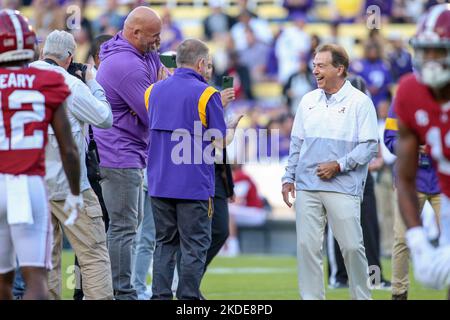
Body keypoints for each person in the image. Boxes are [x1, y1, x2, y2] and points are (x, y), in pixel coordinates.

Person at [146, 39, 241, 300]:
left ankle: (161, 296)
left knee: (164, 244)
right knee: (194, 246)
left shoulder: (152, 90)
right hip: (193, 185)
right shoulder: (207, 93)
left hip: (159, 182)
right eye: (207, 64)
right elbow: (219, 141)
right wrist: (231, 127)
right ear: (201, 63)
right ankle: (188, 300)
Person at [281, 44, 378, 300]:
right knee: (306, 248)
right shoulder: (307, 100)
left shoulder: (360, 102)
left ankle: (362, 297)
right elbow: (296, 143)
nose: (315, 70)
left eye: (321, 65)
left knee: (351, 247)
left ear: (340, 69)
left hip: (343, 186)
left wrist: (339, 165)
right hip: (307, 186)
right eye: (314, 65)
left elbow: (369, 146)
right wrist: (288, 176)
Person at [0, 9, 80, 300]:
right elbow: (68, 148)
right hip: (29, 185)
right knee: (36, 281)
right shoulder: (46, 81)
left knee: (3, 283)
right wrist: (75, 192)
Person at [30, 30, 114, 300]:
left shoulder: (16, 81)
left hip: (30, 185)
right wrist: (92, 82)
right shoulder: (71, 84)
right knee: (93, 255)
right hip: (70, 186)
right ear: (69, 58)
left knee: (44, 261)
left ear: (43, 53)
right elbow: (104, 118)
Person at [92, 6, 165, 300]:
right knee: (123, 228)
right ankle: (122, 293)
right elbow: (154, 113)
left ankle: (121, 289)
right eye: (154, 36)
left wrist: (158, 85)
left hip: (128, 153)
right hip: (119, 156)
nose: (158, 42)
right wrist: (160, 87)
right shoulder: (128, 65)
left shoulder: (138, 54)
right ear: (135, 33)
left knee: (127, 227)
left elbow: (156, 86)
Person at [394, 3, 450, 291]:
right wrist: (417, 239)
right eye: (424, 50)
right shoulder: (410, 92)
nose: (430, 59)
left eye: (438, 51)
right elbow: (404, 177)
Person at [73, 33, 114, 301]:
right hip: (94, 166)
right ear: (99, 57)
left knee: (89, 237)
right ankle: (84, 291)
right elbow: (103, 117)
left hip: (96, 164)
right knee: (93, 236)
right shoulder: (90, 82)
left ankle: (80, 290)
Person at [384, 103, 441, 299]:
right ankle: (398, 293)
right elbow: (390, 139)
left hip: (444, 180)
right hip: (410, 179)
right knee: (402, 238)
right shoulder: (402, 99)